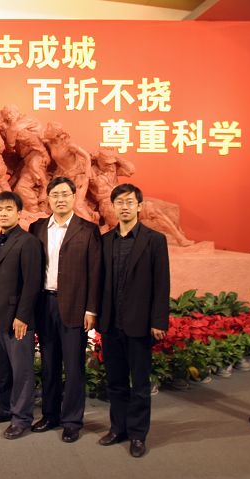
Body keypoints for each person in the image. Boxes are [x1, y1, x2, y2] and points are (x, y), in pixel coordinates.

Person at [97, 183, 170, 458]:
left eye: (129, 202)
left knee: (139, 383)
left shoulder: (154, 240)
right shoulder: (105, 240)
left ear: (139, 206)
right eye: (120, 202)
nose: (124, 207)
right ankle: (118, 428)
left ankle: (138, 434)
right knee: (115, 381)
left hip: (139, 323)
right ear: (114, 207)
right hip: (111, 323)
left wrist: (158, 320)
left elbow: (161, 283)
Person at [29, 176, 101, 443]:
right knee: (48, 364)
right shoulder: (37, 228)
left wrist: (91, 309)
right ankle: (50, 415)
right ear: (48, 199)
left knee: (73, 367)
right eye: (55, 195)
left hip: (74, 306)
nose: (60, 199)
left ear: (73, 197)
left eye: (65, 195)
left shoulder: (88, 230)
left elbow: (95, 272)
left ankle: (72, 420)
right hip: (45, 304)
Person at [0, 191, 42, 439]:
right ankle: (6, 409)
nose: (3, 213)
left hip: (18, 320)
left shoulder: (28, 242)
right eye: (0, 209)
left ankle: (22, 418)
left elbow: (32, 283)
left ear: (19, 213)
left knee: (21, 371)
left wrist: (23, 316)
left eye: (9, 209)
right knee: (3, 369)